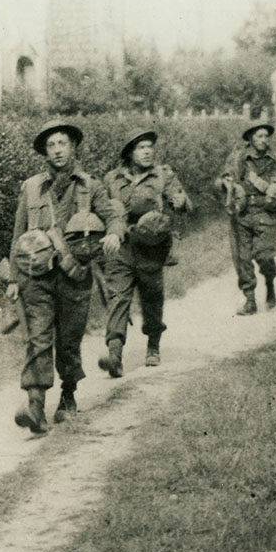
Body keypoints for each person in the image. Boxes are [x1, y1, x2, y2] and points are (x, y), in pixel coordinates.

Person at [7, 120, 123, 433]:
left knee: (69, 340)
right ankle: (35, 406)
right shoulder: (31, 187)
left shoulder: (90, 186)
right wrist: (14, 279)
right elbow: (18, 235)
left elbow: (112, 215)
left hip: (75, 275)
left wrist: (114, 234)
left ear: (72, 147)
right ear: (45, 152)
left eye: (62, 143)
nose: (57, 150)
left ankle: (68, 394)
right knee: (38, 337)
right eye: (51, 145)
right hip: (38, 277)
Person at [97, 127, 190, 377]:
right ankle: (115, 355)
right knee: (118, 298)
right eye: (141, 147)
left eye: (150, 146)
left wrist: (180, 202)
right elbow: (102, 210)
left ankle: (153, 345)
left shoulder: (163, 176)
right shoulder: (112, 179)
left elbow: (182, 201)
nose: (148, 151)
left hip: (151, 246)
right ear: (130, 153)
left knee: (152, 297)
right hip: (122, 245)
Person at [216, 122, 276, 316]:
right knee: (243, 259)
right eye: (259, 136)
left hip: (266, 214)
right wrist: (226, 184)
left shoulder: (273, 162)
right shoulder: (239, 159)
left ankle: (269, 283)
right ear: (251, 138)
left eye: (266, 136)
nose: (263, 140)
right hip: (242, 214)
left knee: (264, 256)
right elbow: (222, 180)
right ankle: (250, 300)